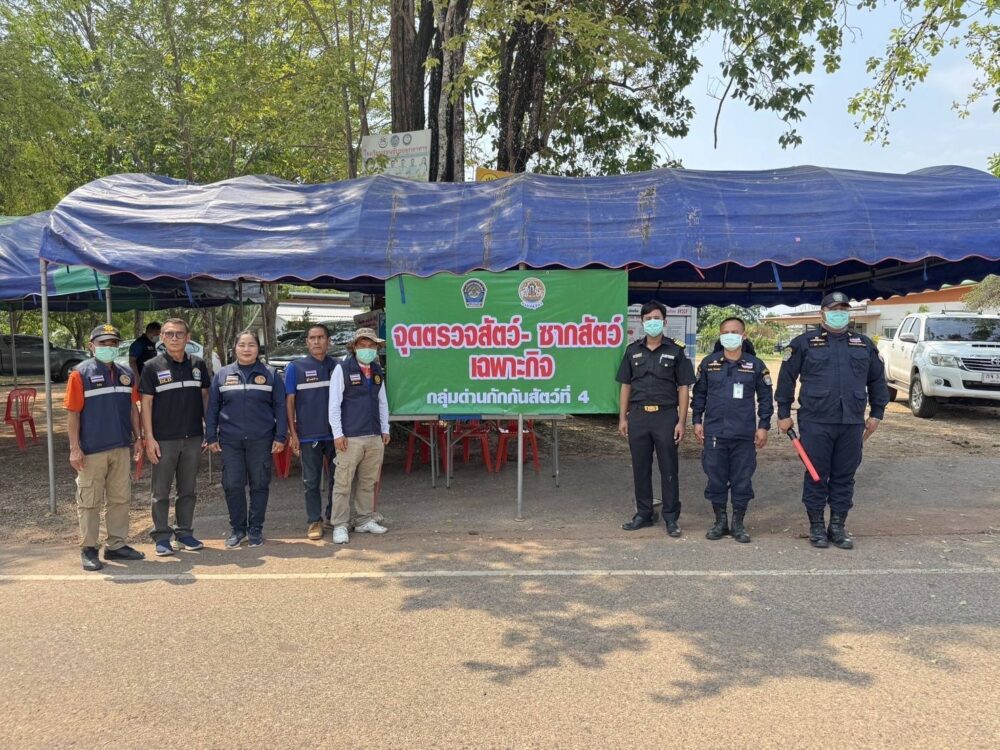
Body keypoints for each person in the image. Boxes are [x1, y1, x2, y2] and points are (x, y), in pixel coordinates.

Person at [776, 291, 890, 549]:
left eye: (844, 309)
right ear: (822, 314)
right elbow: (786, 379)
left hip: (852, 422)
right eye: (834, 309)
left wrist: (877, 413)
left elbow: (877, 381)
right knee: (816, 474)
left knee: (844, 476)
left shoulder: (864, 344)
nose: (840, 313)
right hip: (815, 421)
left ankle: (837, 526)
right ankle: (816, 525)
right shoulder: (804, 343)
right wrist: (783, 413)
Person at [65, 324, 146, 571]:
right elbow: (73, 414)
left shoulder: (126, 374)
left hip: (121, 447)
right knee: (89, 501)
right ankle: (89, 548)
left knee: (120, 499)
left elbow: (133, 408)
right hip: (92, 450)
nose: (108, 347)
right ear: (91, 346)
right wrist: (74, 448)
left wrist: (138, 438)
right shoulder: (80, 374)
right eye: (103, 343)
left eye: (113, 344)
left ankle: (116, 545)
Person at [617, 301, 696, 537]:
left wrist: (681, 421)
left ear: (664, 321)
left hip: (666, 417)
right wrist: (622, 418)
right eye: (648, 319)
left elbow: (684, 387)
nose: (653, 322)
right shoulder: (632, 350)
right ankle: (644, 513)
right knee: (640, 467)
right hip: (638, 416)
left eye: (657, 318)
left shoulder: (676, 350)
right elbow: (625, 385)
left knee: (669, 468)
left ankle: (671, 517)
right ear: (642, 322)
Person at [691, 317, 774, 543]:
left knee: (742, 480)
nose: (730, 335)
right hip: (715, 433)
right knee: (715, 479)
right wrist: (697, 420)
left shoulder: (755, 365)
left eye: (735, 332)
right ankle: (720, 522)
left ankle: (738, 524)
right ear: (720, 336)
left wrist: (763, 426)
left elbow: (766, 398)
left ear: (743, 336)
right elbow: (699, 395)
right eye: (726, 332)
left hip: (744, 434)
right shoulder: (709, 363)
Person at [206, 331, 287, 548]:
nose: (247, 349)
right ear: (235, 348)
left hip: (261, 439)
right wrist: (211, 436)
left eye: (251, 345)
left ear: (258, 348)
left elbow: (280, 407)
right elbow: (213, 407)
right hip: (230, 440)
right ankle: (238, 529)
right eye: (242, 344)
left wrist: (280, 436)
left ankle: (255, 529)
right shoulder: (222, 375)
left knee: (259, 484)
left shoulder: (271, 374)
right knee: (232, 484)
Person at [140, 317, 212, 556]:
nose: (174, 338)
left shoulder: (198, 364)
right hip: (163, 439)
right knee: (160, 492)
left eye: (179, 334)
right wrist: (149, 438)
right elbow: (146, 403)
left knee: (188, 490)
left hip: (193, 437)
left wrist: (209, 430)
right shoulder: (152, 366)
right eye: (169, 334)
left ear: (187, 337)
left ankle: (184, 533)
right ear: (162, 337)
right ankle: (162, 536)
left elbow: (205, 397)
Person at [327, 328, 390, 544]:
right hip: (350, 436)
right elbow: (334, 404)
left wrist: (385, 429)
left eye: (371, 346)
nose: (367, 349)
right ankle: (340, 524)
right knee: (343, 483)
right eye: (363, 345)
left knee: (368, 481)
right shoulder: (342, 369)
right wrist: (338, 434)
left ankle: (364, 520)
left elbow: (382, 401)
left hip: (374, 435)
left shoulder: (376, 370)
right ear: (354, 347)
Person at [285, 323, 339, 540]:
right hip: (309, 435)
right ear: (307, 342)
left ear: (328, 341)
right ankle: (314, 520)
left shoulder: (338, 366)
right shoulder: (295, 368)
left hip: (336, 435)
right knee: (311, 481)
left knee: (338, 478)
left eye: (321, 337)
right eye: (312, 338)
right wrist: (293, 433)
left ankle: (333, 517)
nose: (316, 341)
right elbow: (289, 402)